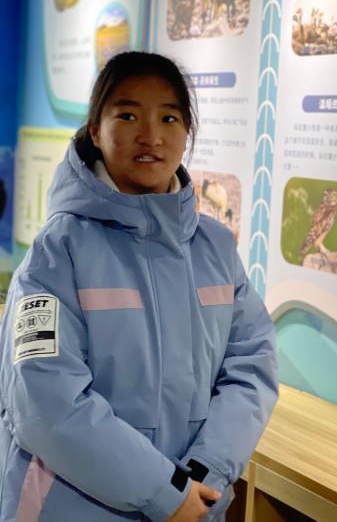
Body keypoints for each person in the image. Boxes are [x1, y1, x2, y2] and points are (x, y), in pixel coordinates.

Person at [0, 51, 278, 521]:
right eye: (128, 115)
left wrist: (203, 474)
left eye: (169, 117)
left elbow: (252, 364)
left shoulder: (215, 246)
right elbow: (43, 400)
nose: (151, 135)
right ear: (96, 130)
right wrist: (165, 491)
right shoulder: (58, 250)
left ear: (187, 132)